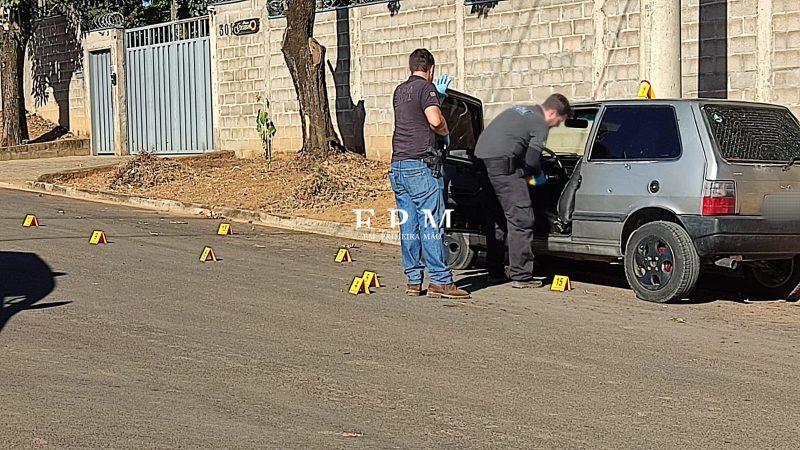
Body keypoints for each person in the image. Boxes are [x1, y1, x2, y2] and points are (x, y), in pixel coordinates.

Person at [389, 48, 470, 300]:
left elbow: (413, 119)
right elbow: (434, 120)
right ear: (431, 69)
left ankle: (414, 280)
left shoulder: (399, 91)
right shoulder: (427, 89)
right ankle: (441, 281)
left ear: (410, 67)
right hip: (421, 168)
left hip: (398, 167)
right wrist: (445, 132)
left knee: (409, 226)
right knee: (431, 223)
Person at [474, 94, 572, 288]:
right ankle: (521, 275)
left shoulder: (520, 110)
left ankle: (495, 272)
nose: (556, 126)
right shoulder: (540, 123)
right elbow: (533, 161)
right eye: (559, 122)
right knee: (521, 218)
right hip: (504, 168)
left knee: (497, 219)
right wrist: (535, 176)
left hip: (481, 166)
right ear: (552, 113)